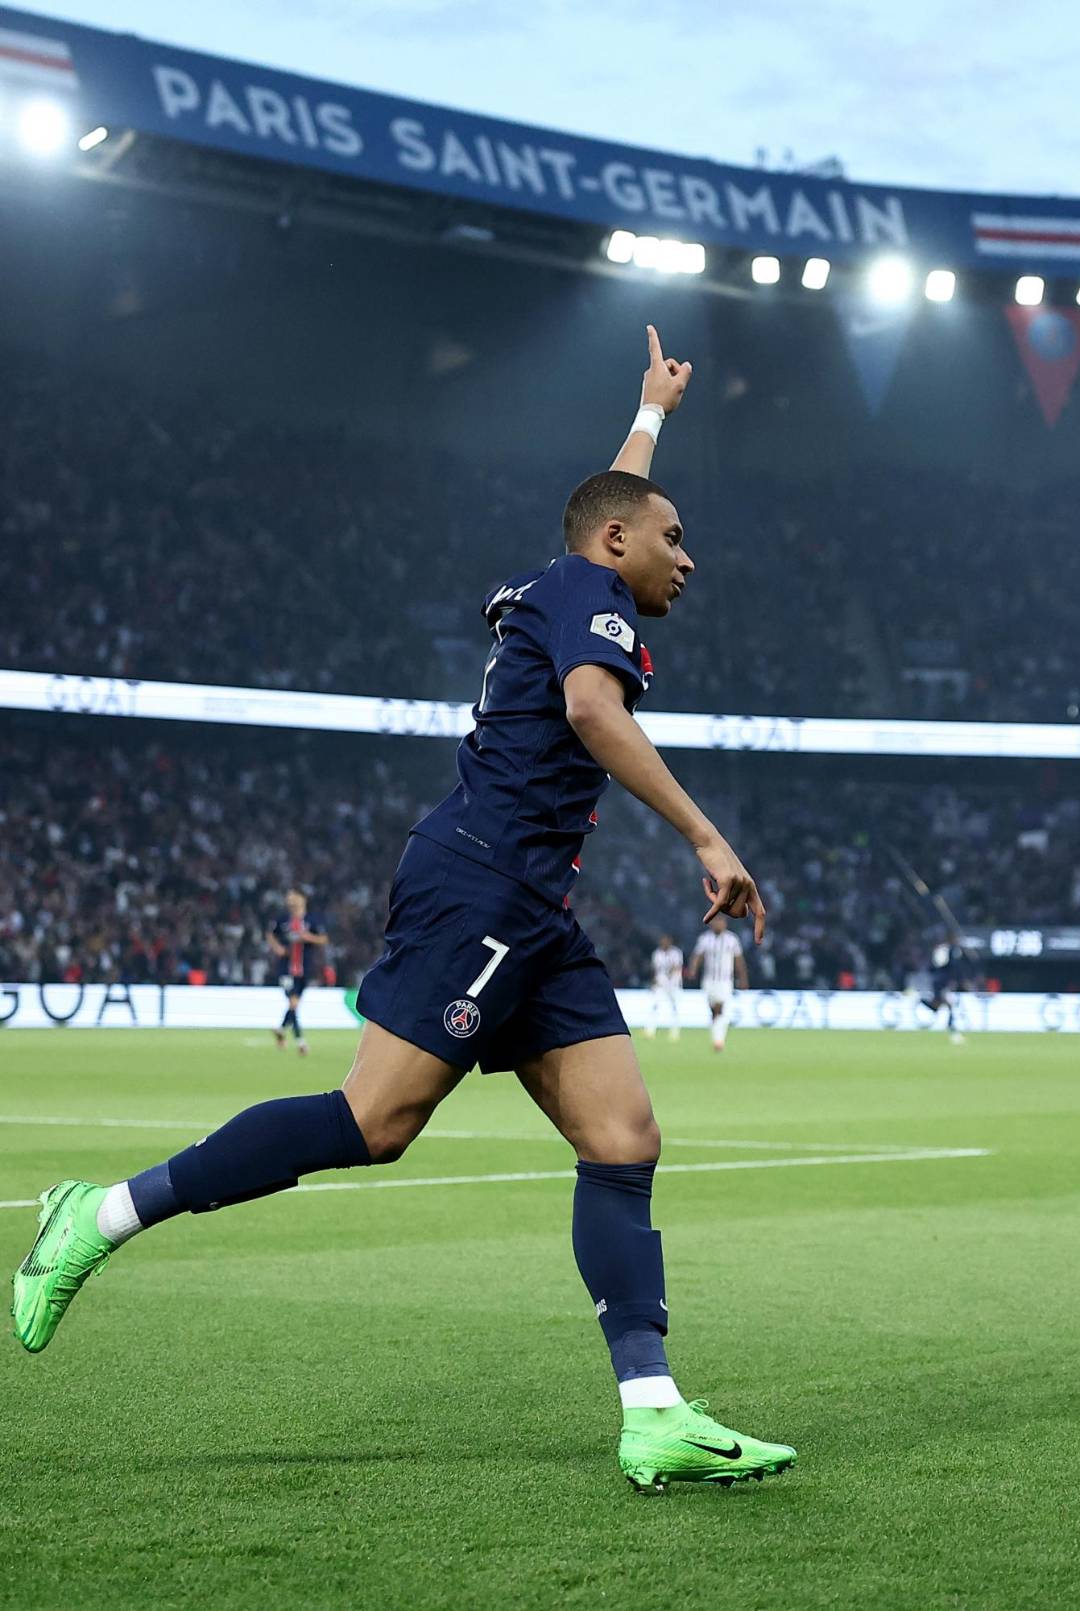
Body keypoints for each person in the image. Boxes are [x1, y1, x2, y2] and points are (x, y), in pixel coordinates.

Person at [11, 326, 795, 1496]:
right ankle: (101, 1215)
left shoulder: (576, 571)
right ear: (616, 546)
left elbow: (611, 501)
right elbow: (593, 712)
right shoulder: (591, 594)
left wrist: (652, 414)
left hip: (534, 907)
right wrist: (704, 833)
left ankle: (654, 1415)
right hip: (481, 883)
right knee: (374, 1121)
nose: (689, 558)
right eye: (672, 539)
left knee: (624, 1139)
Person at [267, 888, 328, 1056]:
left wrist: (309, 937)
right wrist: (277, 948)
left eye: (293, 897)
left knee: (293, 1005)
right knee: (293, 1002)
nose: (290, 900)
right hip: (285, 969)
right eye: (288, 898)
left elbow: (324, 939)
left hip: (304, 969)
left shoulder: (312, 920)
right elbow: (270, 935)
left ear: (303, 899)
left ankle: (282, 1030)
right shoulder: (282, 919)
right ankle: (299, 1041)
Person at [688, 912, 748, 1052]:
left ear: (725, 923)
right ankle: (717, 1036)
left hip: (725, 981)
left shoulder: (732, 939)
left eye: (720, 921)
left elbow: (739, 960)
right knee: (713, 1010)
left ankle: (718, 1040)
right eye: (716, 921)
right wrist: (693, 969)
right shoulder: (705, 939)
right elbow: (697, 956)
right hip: (709, 981)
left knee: (720, 1008)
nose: (718, 924)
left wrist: (743, 978)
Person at [920, 934, 968, 1044]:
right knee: (946, 1005)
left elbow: (934, 966)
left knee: (939, 1006)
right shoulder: (951, 950)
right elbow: (952, 966)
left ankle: (952, 1030)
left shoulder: (941, 949)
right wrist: (956, 979)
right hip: (942, 982)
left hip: (939, 981)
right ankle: (953, 1031)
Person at [644, 933, 683, 1041]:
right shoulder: (657, 954)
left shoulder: (676, 953)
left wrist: (670, 978)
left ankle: (675, 1032)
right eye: (662, 941)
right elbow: (655, 970)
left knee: (675, 1008)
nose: (664, 943)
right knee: (655, 1006)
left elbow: (677, 967)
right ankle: (650, 1031)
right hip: (660, 985)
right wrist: (654, 983)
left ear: (670, 941)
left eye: (666, 941)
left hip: (674, 985)